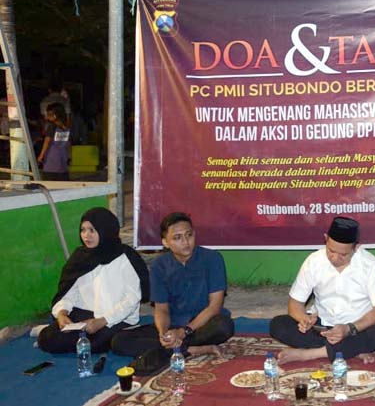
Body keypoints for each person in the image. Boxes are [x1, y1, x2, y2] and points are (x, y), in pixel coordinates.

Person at [111, 212, 234, 370]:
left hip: (202, 324)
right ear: (165, 242)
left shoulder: (212, 258)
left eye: (188, 235)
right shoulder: (159, 266)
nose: (185, 242)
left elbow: (214, 306)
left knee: (224, 326)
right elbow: (161, 309)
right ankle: (190, 349)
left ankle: (171, 349)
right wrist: (164, 334)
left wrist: (184, 332)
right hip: (174, 324)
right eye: (177, 238)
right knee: (119, 341)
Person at [269, 216, 375, 364]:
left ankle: (309, 354)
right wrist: (304, 319)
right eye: (331, 251)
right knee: (278, 325)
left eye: (343, 254)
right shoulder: (314, 261)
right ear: (325, 239)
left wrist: (348, 329)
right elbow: (294, 303)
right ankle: (350, 350)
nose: (335, 258)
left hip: (355, 328)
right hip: (322, 327)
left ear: (356, 247)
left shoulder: (370, 264)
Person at [38, 207, 150, 354]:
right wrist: (62, 313)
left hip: (116, 317)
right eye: (83, 230)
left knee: (97, 343)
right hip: (86, 313)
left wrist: (102, 321)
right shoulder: (81, 256)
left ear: (105, 230)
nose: (86, 235)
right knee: (48, 339)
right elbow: (71, 292)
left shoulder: (125, 258)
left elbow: (132, 299)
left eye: (92, 230)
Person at [37, 103, 72, 181]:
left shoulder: (52, 127)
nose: (47, 117)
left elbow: (47, 142)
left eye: (49, 115)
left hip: (51, 161)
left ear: (55, 115)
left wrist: (41, 156)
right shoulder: (67, 126)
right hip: (63, 160)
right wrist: (69, 156)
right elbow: (68, 143)